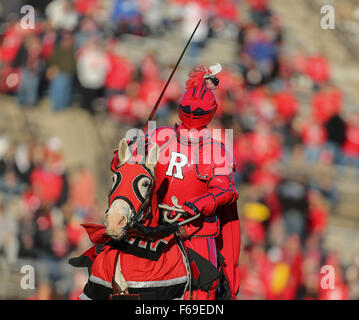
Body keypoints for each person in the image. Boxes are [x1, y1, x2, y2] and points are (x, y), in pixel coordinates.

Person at [127, 64, 241, 300]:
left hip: (195, 230)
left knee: (206, 284)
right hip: (154, 224)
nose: (192, 113)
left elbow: (225, 191)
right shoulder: (160, 136)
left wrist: (201, 203)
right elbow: (126, 164)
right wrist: (127, 151)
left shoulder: (214, 149)